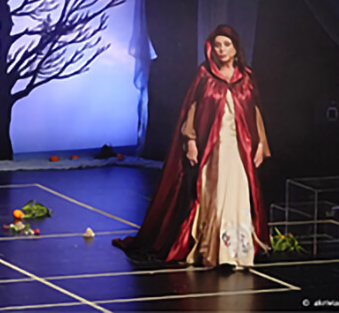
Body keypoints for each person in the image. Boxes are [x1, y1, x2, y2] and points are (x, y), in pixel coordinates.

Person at [113, 24, 271, 268]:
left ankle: (237, 252)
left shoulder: (246, 77)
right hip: (213, 147)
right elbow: (192, 109)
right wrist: (191, 141)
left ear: (235, 48)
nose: (221, 49)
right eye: (217, 45)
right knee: (216, 195)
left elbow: (255, 111)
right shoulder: (205, 75)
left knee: (238, 196)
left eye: (226, 44)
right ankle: (215, 251)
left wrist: (261, 144)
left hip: (241, 147)